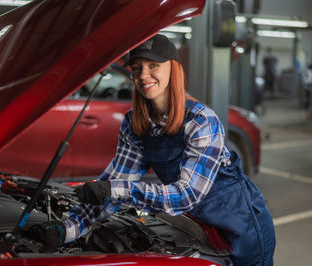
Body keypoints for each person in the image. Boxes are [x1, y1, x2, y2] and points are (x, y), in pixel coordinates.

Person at [40, 34, 276, 265]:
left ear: (173, 70)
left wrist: (117, 190)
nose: (143, 75)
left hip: (241, 225)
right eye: (136, 67)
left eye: (154, 65)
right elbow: (117, 181)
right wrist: (67, 229)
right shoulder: (135, 124)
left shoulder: (201, 120)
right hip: (195, 227)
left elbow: (187, 195)